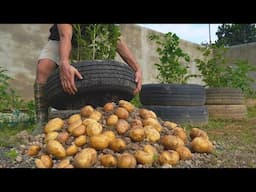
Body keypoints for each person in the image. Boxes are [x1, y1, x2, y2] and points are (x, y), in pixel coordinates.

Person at [33, 24, 142, 134]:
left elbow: (117, 40)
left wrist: (137, 68)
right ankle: (41, 122)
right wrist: (64, 62)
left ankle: (95, 117)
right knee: (43, 67)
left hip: (88, 42)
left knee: (94, 71)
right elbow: (65, 35)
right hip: (61, 40)